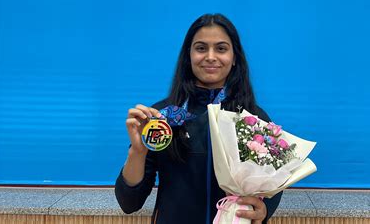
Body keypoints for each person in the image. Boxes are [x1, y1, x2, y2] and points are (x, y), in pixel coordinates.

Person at [115, 13, 283, 224]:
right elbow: (129, 202)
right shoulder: (160, 118)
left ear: (234, 59)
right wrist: (137, 152)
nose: (210, 56)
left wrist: (264, 209)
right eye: (201, 48)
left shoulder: (253, 117)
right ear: (189, 56)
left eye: (221, 48)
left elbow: (272, 185)